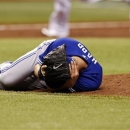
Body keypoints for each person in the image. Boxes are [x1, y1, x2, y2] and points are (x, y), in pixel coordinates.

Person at [0, 38, 103, 93]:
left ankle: (16, 69)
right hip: (46, 50)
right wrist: (40, 72)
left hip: (60, 79)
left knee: (6, 86)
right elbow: (37, 65)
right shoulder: (59, 48)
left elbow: (51, 88)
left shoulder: (92, 79)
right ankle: (7, 66)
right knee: (6, 80)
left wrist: (68, 84)